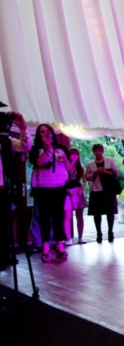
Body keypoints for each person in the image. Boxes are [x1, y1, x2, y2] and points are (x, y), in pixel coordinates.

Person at [28, 124, 73, 261]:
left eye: (47, 131)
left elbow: (70, 168)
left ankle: (60, 245)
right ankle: (45, 247)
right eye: (41, 132)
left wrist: (65, 159)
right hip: (42, 188)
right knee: (44, 218)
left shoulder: (61, 149)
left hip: (59, 187)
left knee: (58, 216)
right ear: (38, 135)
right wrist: (47, 150)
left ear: (52, 134)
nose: (45, 134)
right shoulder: (36, 149)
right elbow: (39, 164)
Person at [0, 112, 32, 269]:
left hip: (3, 189)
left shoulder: (7, 142)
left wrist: (23, 128)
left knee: (5, 224)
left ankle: (5, 255)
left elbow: (26, 146)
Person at [85, 144, 120, 243]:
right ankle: (99, 233)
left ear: (103, 151)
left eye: (100, 150)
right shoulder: (89, 164)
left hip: (109, 190)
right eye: (96, 151)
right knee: (97, 214)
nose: (98, 152)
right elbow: (87, 178)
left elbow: (117, 173)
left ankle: (110, 232)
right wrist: (95, 172)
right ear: (93, 152)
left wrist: (107, 172)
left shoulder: (110, 161)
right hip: (96, 190)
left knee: (110, 213)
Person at [63, 148, 87, 245]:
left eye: (76, 154)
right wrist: (66, 190)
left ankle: (80, 237)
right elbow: (61, 180)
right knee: (67, 216)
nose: (74, 156)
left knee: (79, 216)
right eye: (72, 154)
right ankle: (68, 239)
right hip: (67, 191)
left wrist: (82, 188)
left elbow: (85, 181)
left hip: (78, 191)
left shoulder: (81, 167)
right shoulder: (64, 165)